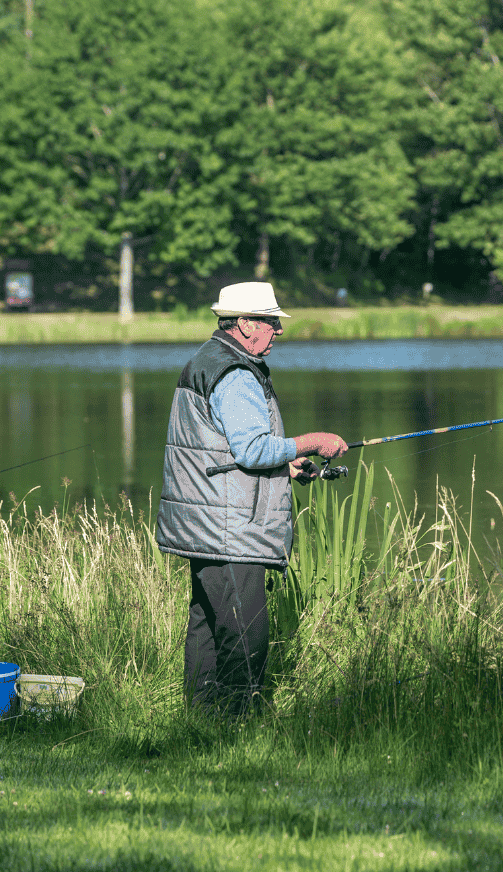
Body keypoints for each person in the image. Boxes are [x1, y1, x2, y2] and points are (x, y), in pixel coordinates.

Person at [155, 281, 347, 715]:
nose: (277, 331)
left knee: (208, 625)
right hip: (230, 526)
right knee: (246, 631)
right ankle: (237, 723)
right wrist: (311, 441)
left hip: (205, 521)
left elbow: (223, 448)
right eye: (270, 321)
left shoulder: (208, 358)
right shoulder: (236, 373)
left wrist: (287, 466)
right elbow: (253, 448)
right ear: (243, 324)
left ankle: (202, 721)